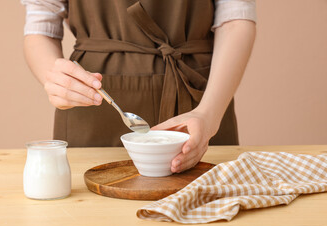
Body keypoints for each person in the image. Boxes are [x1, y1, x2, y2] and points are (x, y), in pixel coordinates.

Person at [22, 0, 256, 173]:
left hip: (202, 106)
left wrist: (208, 114)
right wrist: (53, 78)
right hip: (93, 107)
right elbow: (40, 28)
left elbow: (236, 19)